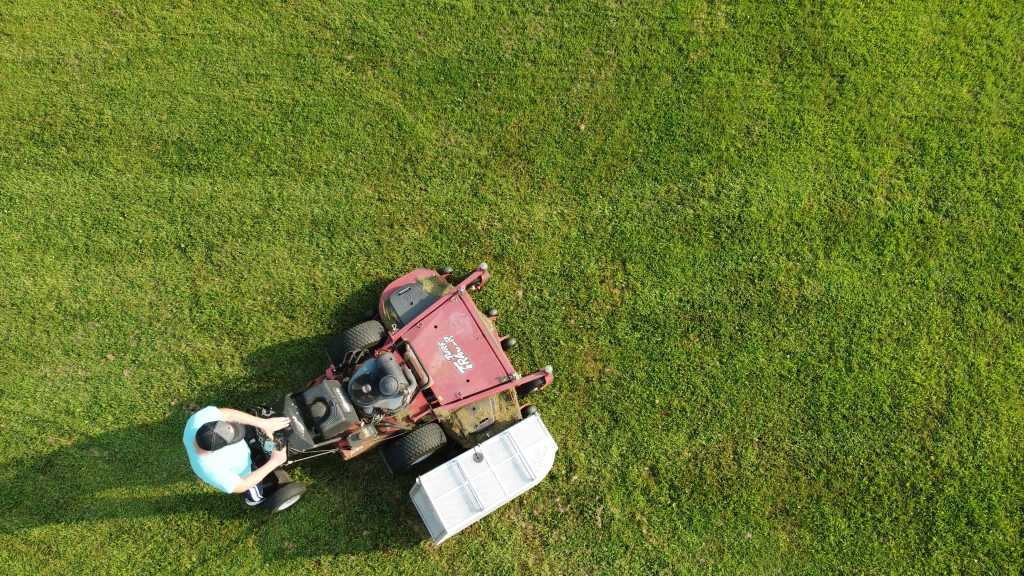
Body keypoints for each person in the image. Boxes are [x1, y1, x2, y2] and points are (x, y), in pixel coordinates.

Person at [183, 406, 291, 507]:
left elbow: (227, 414)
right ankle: (255, 500)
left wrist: (263, 423)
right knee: (256, 495)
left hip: (244, 453)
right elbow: (242, 485)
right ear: (216, 450)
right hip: (245, 474)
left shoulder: (196, 421)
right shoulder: (210, 470)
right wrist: (275, 461)